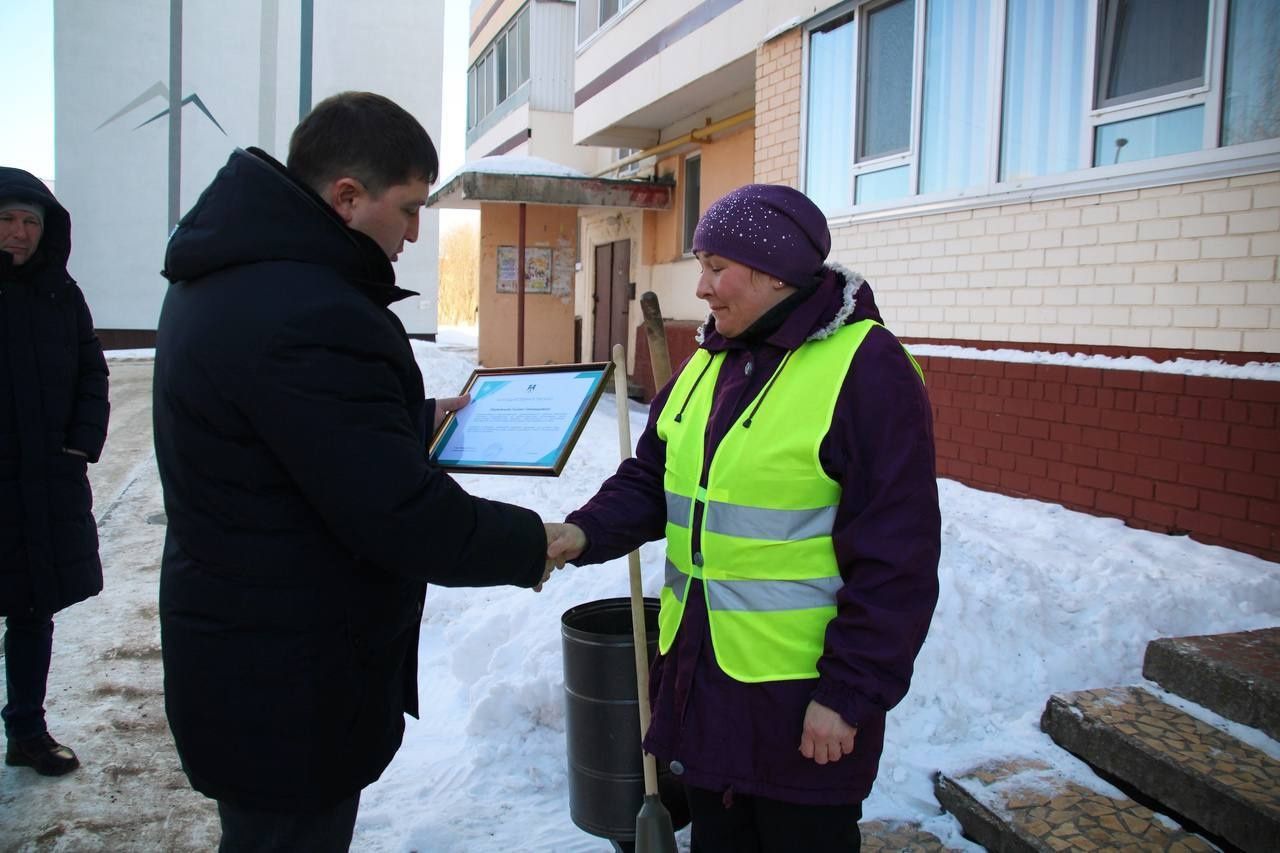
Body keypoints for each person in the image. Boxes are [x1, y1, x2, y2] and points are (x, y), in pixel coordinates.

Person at [154, 92, 550, 851]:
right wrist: (540, 542)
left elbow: (283, 435)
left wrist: (405, 414)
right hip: (290, 676)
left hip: (247, 653)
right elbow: (399, 513)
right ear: (345, 197)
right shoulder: (311, 311)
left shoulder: (230, 276)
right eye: (408, 209)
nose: (413, 232)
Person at [546, 184, 941, 852]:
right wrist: (581, 533)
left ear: (775, 272)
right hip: (704, 691)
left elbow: (898, 557)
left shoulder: (867, 369)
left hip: (801, 705)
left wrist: (849, 693)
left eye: (715, 267)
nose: (700, 288)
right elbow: (652, 477)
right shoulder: (709, 361)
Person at [0, 168, 110, 777]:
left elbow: (92, 374)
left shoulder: (60, 295)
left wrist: (78, 446)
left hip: (43, 483)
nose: (19, 233)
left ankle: (27, 730)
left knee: (32, 610)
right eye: (8, 220)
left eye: (30, 222)